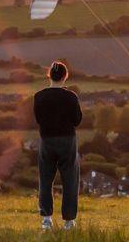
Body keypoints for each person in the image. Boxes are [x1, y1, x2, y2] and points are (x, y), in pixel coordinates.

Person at [34, 60, 82, 231]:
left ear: (49, 75)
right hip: (67, 140)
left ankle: (46, 219)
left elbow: (38, 119)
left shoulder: (39, 96)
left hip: (47, 140)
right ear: (65, 76)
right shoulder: (71, 97)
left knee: (45, 179)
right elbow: (77, 120)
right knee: (70, 179)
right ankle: (68, 221)